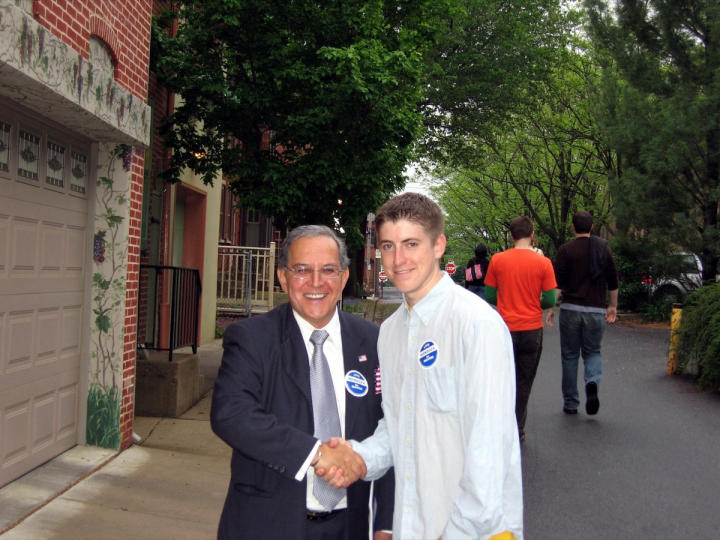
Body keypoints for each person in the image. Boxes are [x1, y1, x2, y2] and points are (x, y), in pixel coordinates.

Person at [321, 193, 523, 539]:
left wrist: (458, 531)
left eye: (411, 243)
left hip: (475, 530)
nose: (398, 259)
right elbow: (400, 426)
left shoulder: (476, 325)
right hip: (414, 524)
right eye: (388, 246)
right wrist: (361, 456)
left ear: (438, 245)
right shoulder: (390, 334)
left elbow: (489, 448)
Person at [210, 225, 394, 540]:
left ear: (344, 277)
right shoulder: (252, 339)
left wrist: (385, 524)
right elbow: (231, 413)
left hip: (349, 527)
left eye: (328, 270)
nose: (316, 282)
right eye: (302, 270)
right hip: (266, 525)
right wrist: (316, 453)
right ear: (282, 276)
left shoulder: (373, 342)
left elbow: (389, 428)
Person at [484, 216, 557, 442]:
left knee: (502, 380)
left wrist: (506, 299)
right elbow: (549, 299)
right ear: (532, 234)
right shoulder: (543, 263)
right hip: (531, 329)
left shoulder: (497, 260)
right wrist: (535, 301)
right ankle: (518, 428)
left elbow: (489, 295)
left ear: (512, 235)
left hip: (505, 329)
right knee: (524, 381)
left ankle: (500, 426)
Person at [553, 211, 619, 416]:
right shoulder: (603, 249)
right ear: (591, 227)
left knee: (570, 356)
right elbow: (613, 281)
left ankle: (571, 403)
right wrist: (612, 306)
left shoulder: (565, 250)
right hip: (595, 309)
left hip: (571, 309)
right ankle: (592, 381)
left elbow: (558, 284)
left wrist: (550, 308)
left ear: (573, 227)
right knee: (593, 352)